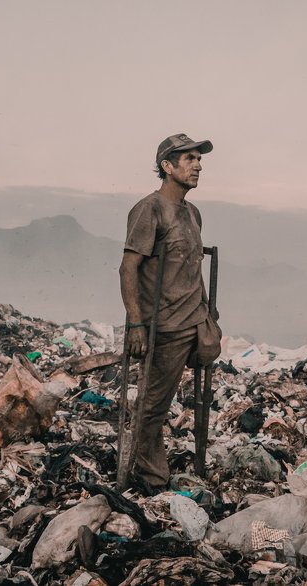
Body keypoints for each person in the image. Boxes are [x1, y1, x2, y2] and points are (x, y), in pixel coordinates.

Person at [119, 133, 214, 491]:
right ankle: (150, 479)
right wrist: (137, 324)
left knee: (199, 399)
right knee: (153, 406)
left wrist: (209, 316)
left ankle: (192, 466)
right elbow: (128, 268)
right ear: (167, 167)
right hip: (165, 326)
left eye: (198, 159)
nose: (198, 165)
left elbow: (193, 266)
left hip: (194, 320)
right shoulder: (150, 209)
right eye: (189, 159)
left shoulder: (192, 213)